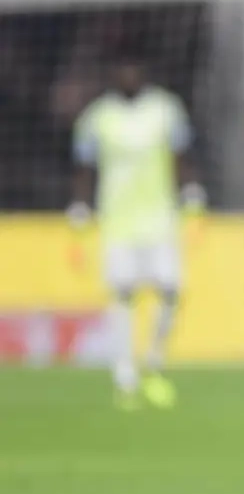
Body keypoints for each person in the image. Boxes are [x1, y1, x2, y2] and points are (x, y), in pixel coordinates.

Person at [70, 51, 204, 411]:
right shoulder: (98, 116)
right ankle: (124, 375)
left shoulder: (166, 109)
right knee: (122, 295)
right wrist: (80, 205)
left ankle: (154, 359)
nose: (128, 74)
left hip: (161, 218)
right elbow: (84, 165)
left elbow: (181, 155)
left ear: (144, 71)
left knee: (171, 289)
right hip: (118, 222)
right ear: (113, 73)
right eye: (122, 68)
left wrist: (191, 190)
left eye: (134, 68)